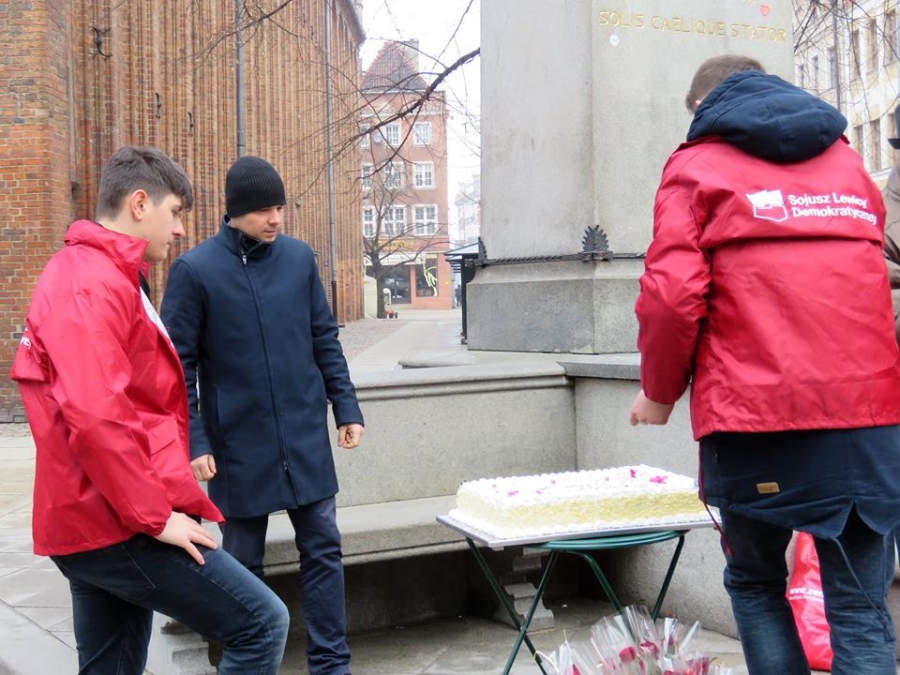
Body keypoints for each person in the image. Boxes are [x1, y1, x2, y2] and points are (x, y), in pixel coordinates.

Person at [630, 55, 900, 675]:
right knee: (861, 610)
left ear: (701, 108)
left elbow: (671, 297)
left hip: (755, 418)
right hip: (866, 419)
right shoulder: (846, 163)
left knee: (755, 583)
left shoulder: (695, 165)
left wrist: (659, 392)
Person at [9, 146, 289, 675]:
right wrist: (154, 516)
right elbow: (96, 414)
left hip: (99, 516)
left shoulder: (102, 273)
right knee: (261, 623)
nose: (180, 229)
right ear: (140, 203)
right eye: (175, 212)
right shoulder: (90, 281)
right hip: (114, 521)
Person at [161, 155, 365, 675]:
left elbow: (324, 338)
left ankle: (331, 665)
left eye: (280, 207)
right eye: (263, 211)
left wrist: (346, 406)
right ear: (234, 211)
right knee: (241, 563)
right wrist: (195, 440)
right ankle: (244, 663)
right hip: (238, 445)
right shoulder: (195, 271)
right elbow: (176, 366)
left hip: (304, 435)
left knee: (324, 550)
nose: (276, 218)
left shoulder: (299, 259)